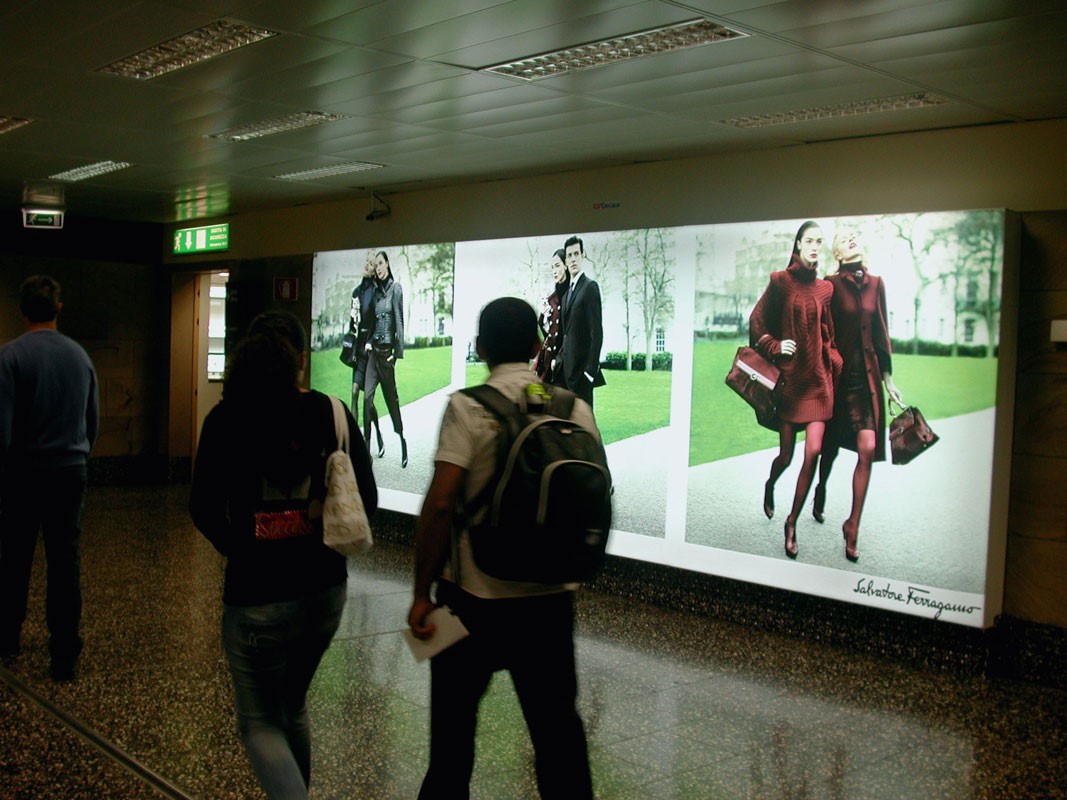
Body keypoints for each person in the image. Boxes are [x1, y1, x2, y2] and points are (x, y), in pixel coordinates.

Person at [408, 297, 595, 800]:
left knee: (451, 746)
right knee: (558, 736)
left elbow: (442, 503)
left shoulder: (468, 407)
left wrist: (421, 593)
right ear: (537, 345)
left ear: (480, 347)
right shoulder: (571, 407)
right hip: (550, 600)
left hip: (470, 598)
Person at [189, 310, 377, 800]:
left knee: (258, 723)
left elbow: (203, 507)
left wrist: (243, 547)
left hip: (256, 594)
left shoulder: (226, 418)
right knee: (291, 707)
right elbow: (367, 500)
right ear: (298, 358)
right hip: (325, 590)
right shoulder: (332, 412)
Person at [0, 276, 98, 680]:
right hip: (68, 472)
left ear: (22, 311)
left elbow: (1, 428)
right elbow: (92, 423)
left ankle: (7, 638)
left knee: (15, 558)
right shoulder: (80, 357)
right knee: (64, 562)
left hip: (23, 473)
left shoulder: (9, 357)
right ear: (59, 309)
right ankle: (64, 654)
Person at [749, 221, 842, 559]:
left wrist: (835, 362)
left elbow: (828, 333)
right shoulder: (779, 282)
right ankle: (770, 484)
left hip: (819, 384)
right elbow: (756, 323)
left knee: (813, 452)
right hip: (790, 385)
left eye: (820, 241)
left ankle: (792, 522)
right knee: (786, 458)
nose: (815, 246)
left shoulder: (825, 289)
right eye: (810, 240)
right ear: (799, 244)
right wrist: (774, 345)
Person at [814, 228, 903, 562]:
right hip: (838, 380)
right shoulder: (829, 285)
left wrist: (889, 380)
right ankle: (820, 489)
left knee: (867, 448)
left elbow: (881, 331)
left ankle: (853, 525)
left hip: (866, 383)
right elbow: (821, 332)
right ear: (837, 254)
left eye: (856, 236)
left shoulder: (876, 284)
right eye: (844, 238)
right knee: (829, 448)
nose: (851, 239)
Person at [364, 250, 408, 467]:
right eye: (376, 265)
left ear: (388, 264)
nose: (379, 267)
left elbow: (399, 322)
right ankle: (374, 439)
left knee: (392, 403)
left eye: (381, 263)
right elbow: (371, 320)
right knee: (367, 399)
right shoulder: (375, 292)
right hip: (373, 354)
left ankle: (402, 440)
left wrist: (396, 355)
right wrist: (369, 340)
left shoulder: (395, 289)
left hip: (387, 356)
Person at [558, 235, 606, 406]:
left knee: (584, 426)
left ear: (582, 256)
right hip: (565, 374)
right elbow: (566, 335)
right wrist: (558, 361)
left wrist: (589, 373)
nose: (573, 259)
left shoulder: (590, 288)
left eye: (576, 254)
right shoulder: (565, 296)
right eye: (569, 255)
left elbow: (596, 333)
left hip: (582, 376)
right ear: (565, 260)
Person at [350, 252, 384, 457]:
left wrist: (371, 342)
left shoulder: (377, 292)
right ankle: (355, 443)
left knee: (368, 401)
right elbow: (352, 321)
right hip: (358, 350)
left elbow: (379, 322)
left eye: (371, 263)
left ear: (374, 270)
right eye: (367, 262)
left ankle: (376, 434)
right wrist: (350, 341)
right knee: (354, 392)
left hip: (371, 351)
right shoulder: (356, 292)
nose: (367, 265)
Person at [533, 248, 569, 383]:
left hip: (564, 360)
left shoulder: (572, 296)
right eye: (552, 267)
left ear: (566, 265)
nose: (554, 271)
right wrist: (544, 319)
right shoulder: (551, 299)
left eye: (557, 266)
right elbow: (548, 333)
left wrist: (559, 360)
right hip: (547, 359)